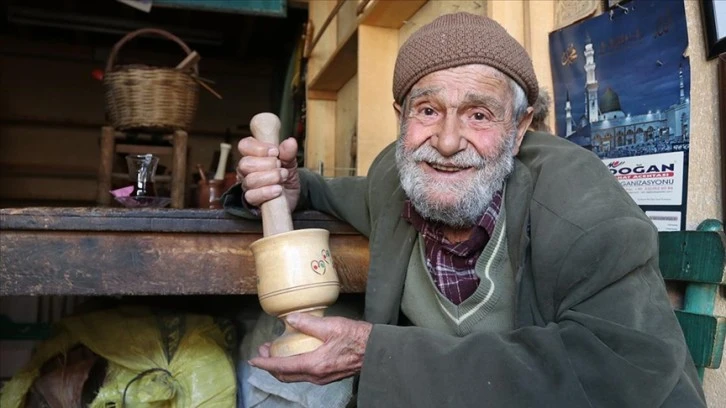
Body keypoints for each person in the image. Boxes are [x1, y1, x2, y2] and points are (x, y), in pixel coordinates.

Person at [225, 12, 706, 407]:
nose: (449, 141)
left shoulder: (581, 206)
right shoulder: (395, 181)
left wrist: (375, 353)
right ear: (402, 119)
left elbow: (622, 376)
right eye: (428, 110)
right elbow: (329, 192)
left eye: (479, 115)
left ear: (519, 130)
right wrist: (290, 186)